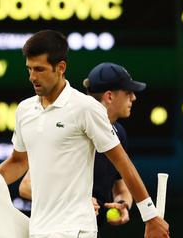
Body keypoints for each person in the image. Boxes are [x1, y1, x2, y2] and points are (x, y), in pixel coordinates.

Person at [0, 30, 169, 238]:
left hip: (76, 230)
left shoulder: (85, 108)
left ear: (60, 68)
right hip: (38, 230)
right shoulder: (25, 110)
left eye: (39, 69)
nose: (32, 77)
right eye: (30, 69)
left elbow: (123, 163)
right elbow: (18, 161)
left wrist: (150, 216)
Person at [18, 62, 145, 231]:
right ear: (109, 96)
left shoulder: (118, 133)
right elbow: (26, 186)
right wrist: (76, 203)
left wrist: (122, 204)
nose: (133, 98)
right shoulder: (69, 129)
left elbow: (121, 188)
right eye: (128, 93)